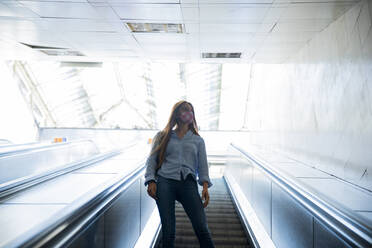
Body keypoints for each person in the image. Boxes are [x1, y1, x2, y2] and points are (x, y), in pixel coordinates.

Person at [144, 100, 215, 248]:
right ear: (176, 113)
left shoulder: (198, 140)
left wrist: (205, 187)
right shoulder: (162, 136)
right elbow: (152, 160)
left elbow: (202, 165)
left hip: (188, 183)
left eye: (191, 110)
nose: (188, 113)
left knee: (202, 228)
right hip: (165, 182)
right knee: (168, 231)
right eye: (184, 109)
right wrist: (151, 180)